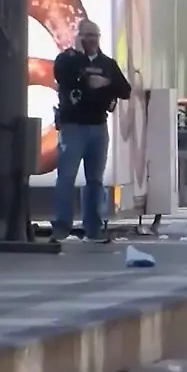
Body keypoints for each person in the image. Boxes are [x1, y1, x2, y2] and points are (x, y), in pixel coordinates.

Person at [51, 19, 132, 242]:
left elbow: (125, 90)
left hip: (98, 125)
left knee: (95, 179)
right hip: (72, 125)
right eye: (85, 35)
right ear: (78, 36)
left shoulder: (107, 64)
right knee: (66, 177)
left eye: (94, 35)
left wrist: (105, 83)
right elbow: (62, 76)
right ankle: (61, 226)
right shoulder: (66, 59)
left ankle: (93, 228)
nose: (90, 40)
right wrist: (78, 58)